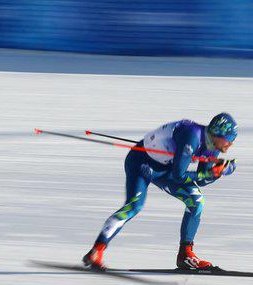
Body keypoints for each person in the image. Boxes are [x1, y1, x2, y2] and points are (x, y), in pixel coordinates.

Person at [82, 113, 238, 271]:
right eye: (229, 138)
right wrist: (210, 173)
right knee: (134, 206)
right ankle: (97, 250)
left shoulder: (213, 146)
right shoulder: (191, 136)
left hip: (164, 169)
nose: (231, 143)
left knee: (196, 201)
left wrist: (218, 173)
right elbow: (179, 175)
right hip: (141, 162)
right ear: (217, 133)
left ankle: (185, 255)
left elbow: (201, 181)